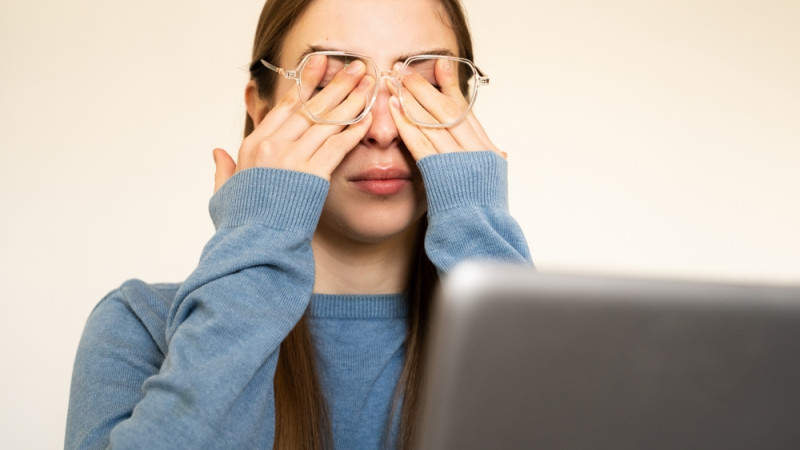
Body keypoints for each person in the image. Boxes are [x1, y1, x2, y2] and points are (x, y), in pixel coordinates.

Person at [65, 0, 532, 448]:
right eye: (333, 87)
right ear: (263, 112)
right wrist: (260, 231)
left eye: (425, 89)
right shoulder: (140, 326)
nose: (383, 130)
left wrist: (482, 239)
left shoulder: (543, 331)